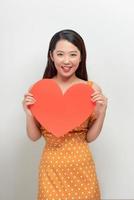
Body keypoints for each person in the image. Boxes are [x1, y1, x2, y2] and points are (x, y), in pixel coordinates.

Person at [22, 29, 108, 200]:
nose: (66, 61)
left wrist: (102, 112)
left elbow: (89, 137)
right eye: (60, 54)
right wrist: (28, 114)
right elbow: (34, 137)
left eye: (73, 54)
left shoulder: (91, 89)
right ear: (51, 56)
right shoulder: (39, 89)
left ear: (81, 56)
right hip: (51, 170)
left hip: (82, 168)